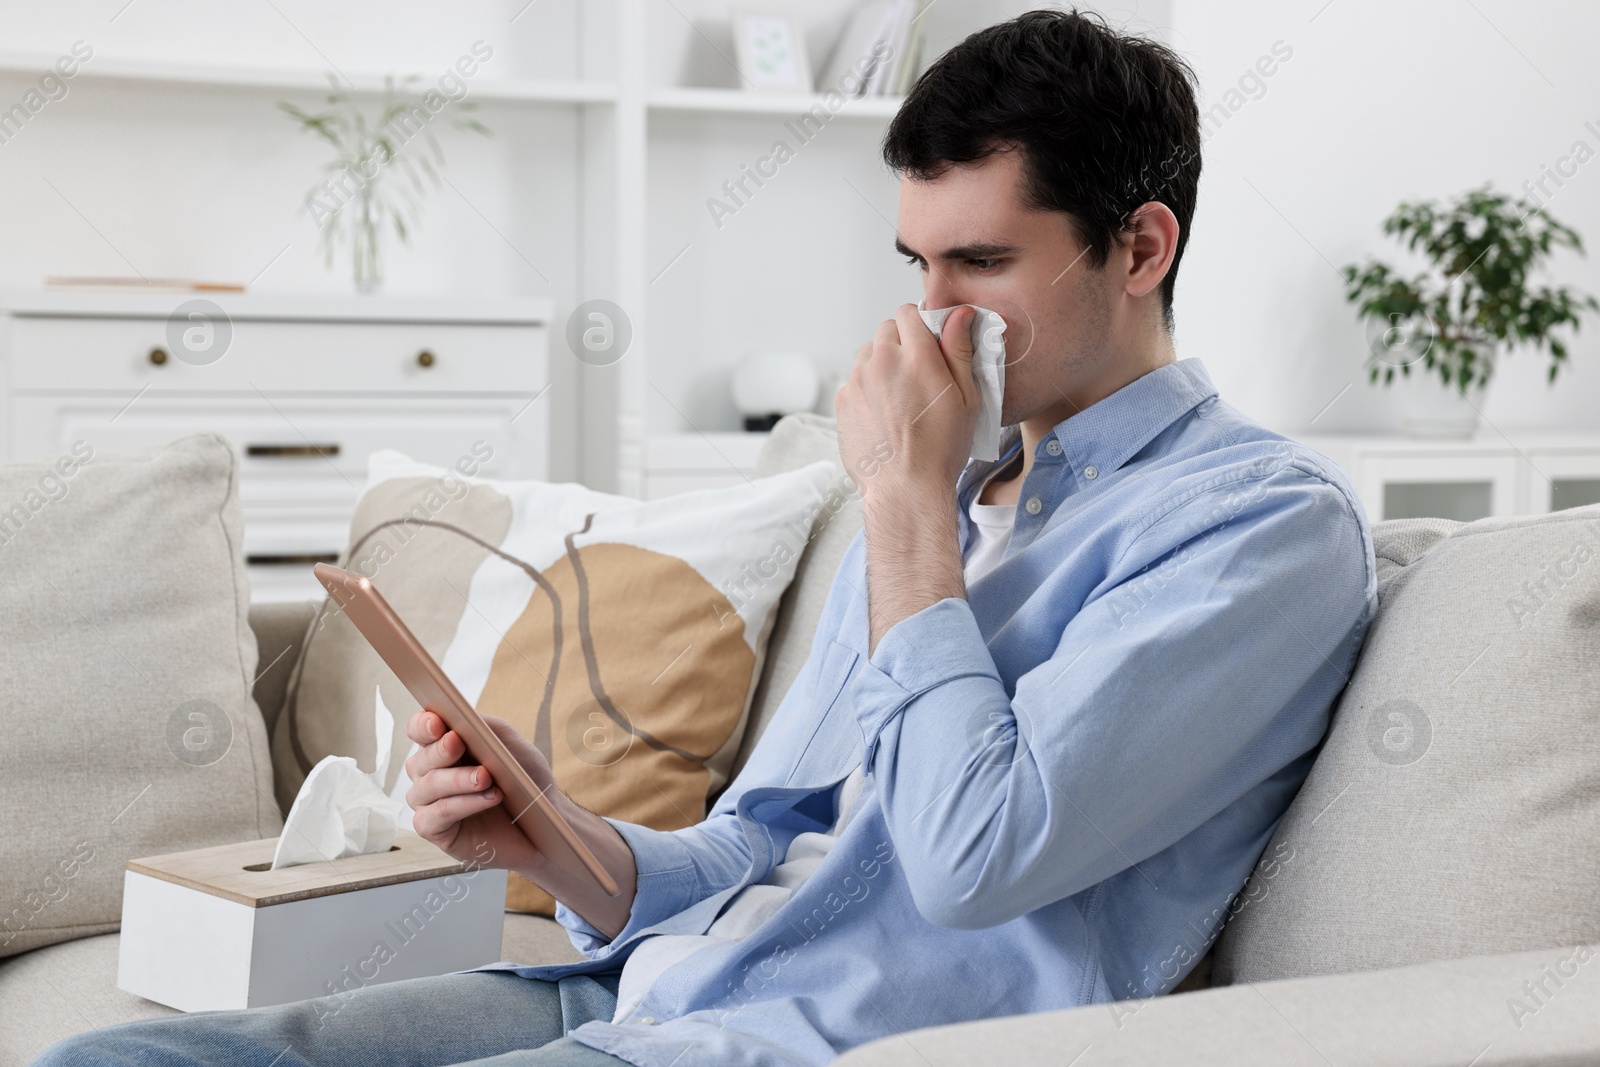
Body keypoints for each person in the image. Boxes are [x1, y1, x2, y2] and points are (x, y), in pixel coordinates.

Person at [37, 9, 1375, 1067]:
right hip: (624, 998)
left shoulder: (1256, 528)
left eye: (979, 264)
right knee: (109, 1059)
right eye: (913, 266)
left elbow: (979, 860)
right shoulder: (950, 489)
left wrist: (904, 513)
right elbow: (749, 850)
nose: (929, 317)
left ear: (1140, 247)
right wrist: (551, 836)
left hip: (795, 1047)